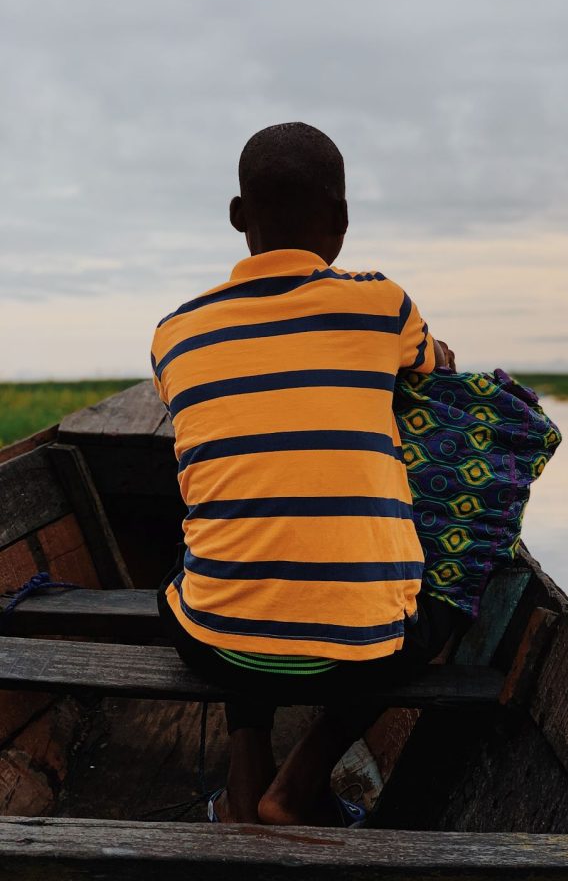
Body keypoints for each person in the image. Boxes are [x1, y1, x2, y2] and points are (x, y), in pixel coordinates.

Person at [150, 122, 463, 826]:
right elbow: (436, 365)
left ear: (239, 218)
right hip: (364, 659)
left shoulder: (174, 332)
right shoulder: (383, 303)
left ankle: (245, 764)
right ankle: (300, 781)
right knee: (456, 581)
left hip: (216, 651)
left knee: (210, 546)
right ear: (343, 221)